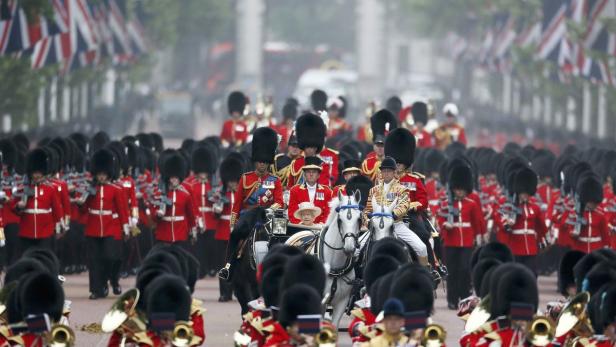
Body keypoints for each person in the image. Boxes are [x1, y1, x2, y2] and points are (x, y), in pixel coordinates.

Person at [219, 127, 283, 280]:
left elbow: (280, 202)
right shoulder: (246, 178)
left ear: (269, 162)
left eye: (265, 162)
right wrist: (233, 224)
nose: (262, 165)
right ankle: (228, 267)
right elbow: (237, 205)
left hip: (268, 216)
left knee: (282, 238)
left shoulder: (275, 180)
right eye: (260, 161)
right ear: (255, 161)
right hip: (248, 216)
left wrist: (270, 210)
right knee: (235, 238)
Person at [79, 149, 129, 300]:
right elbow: (84, 210)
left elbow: (122, 210)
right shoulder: (90, 189)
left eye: (103, 174)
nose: (100, 177)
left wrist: (125, 228)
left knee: (111, 257)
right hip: (93, 228)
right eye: (98, 174)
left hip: (111, 228)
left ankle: (112, 279)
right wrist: (81, 202)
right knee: (94, 261)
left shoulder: (116, 190)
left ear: (108, 174)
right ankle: (96, 289)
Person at [437, 163, 484, 310]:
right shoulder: (446, 203)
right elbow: (440, 219)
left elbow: (478, 222)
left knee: (465, 269)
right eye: (457, 189)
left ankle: (464, 297)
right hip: (451, 241)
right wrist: (446, 226)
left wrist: (479, 237)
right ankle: (452, 299)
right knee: (452, 271)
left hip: (467, 242)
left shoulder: (471, 204)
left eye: (462, 189)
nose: (460, 192)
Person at [364, 157, 428, 264]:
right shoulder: (373, 190)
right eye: (384, 171)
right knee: (356, 250)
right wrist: (368, 221)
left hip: (396, 224)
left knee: (421, 248)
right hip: (375, 227)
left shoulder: (401, 189)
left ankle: (425, 274)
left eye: (389, 171)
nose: (386, 173)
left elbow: (404, 204)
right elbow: (367, 210)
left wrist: (393, 214)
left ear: (394, 172)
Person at [494, 167, 547, 275]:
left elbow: (541, 228)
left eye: (527, 193)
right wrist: (506, 223)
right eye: (523, 193)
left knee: (532, 274)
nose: (525, 196)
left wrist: (542, 244)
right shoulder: (507, 205)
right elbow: (499, 216)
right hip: (515, 246)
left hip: (531, 248)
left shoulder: (534, 207)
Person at [11, 148, 64, 256]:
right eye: (34, 173)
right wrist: (19, 207)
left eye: (39, 172)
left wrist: (59, 228)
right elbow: (13, 207)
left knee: (43, 258)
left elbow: (57, 210)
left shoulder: (50, 189)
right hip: (27, 231)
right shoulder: (22, 189)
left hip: (45, 231)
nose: (36, 176)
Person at [153, 153, 196, 248]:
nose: (174, 180)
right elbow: (153, 216)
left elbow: (190, 216)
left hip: (180, 234)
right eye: (172, 178)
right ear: (168, 178)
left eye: (176, 178)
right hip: (164, 234)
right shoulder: (159, 194)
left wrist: (193, 231)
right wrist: (158, 215)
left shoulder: (185, 195)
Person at [563, 175, 610, 253]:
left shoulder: (600, 214)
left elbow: (604, 234)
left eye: (595, 203)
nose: (594, 205)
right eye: (592, 203)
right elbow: (570, 230)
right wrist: (574, 233)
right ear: (586, 200)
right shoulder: (575, 212)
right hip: (580, 248)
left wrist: (607, 249)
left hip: (597, 248)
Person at [286, 113, 333, 188]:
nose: (310, 150)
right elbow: (290, 187)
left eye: (313, 147)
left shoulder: (323, 165)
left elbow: (325, 188)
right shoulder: (295, 163)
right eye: (308, 147)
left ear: (316, 148)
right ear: (303, 147)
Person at [287, 156, 332, 225]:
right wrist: (301, 224)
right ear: (304, 174)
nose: (311, 174)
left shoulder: (327, 191)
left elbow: (328, 212)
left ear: (318, 175)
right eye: (308, 172)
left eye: (314, 172)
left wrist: (321, 224)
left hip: (320, 228)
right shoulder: (295, 190)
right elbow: (292, 212)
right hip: (300, 227)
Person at [362, 109, 398, 182]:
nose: (380, 148)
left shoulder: (396, 162)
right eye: (378, 145)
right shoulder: (367, 162)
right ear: (374, 146)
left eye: (382, 146)